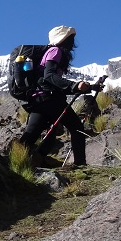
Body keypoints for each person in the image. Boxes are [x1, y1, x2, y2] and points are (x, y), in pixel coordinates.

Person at [18, 26, 99, 169]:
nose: (73, 42)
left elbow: (54, 82)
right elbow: (49, 76)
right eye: (70, 38)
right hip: (49, 99)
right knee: (77, 128)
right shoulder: (56, 51)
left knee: (32, 134)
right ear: (64, 40)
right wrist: (75, 86)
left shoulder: (51, 52)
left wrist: (90, 88)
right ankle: (80, 165)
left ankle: (14, 162)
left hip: (38, 98)